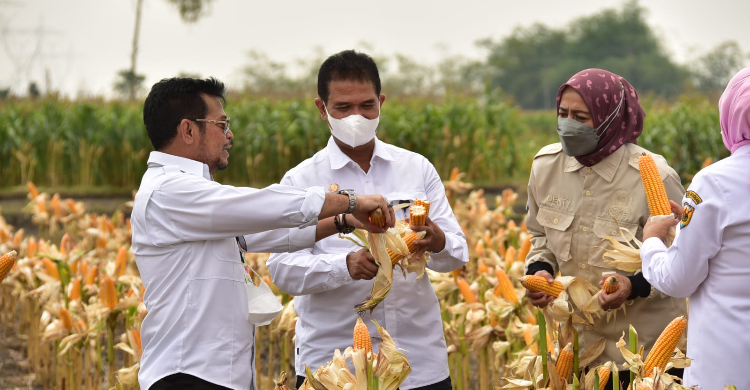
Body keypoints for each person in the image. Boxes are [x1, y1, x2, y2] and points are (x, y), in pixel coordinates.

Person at [131, 77, 395, 390]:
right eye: (221, 124)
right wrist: (352, 200)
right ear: (188, 130)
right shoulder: (170, 191)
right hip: (188, 375)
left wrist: (343, 220)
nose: (229, 136)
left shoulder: (192, 198)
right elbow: (262, 206)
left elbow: (262, 234)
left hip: (212, 376)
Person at [263, 50, 469, 390]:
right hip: (335, 366)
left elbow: (457, 253)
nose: (356, 116)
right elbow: (283, 268)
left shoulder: (416, 168)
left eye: (366, 105)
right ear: (322, 109)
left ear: (381, 102)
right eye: (343, 108)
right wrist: (346, 265)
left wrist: (437, 240)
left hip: (418, 361)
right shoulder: (301, 180)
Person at [522, 69, 687, 387]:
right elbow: (540, 234)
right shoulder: (544, 167)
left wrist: (633, 286)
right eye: (563, 113)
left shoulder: (654, 175)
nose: (567, 124)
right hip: (579, 350)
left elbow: (682, 260)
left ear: (610, 118)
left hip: (645, 356)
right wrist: (541, 269)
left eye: (580, 117)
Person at [641, 67, 750, 389]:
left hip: (729, 364)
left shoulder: (715, 181)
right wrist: (691, 224)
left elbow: (678, 279)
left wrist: (652, 243)